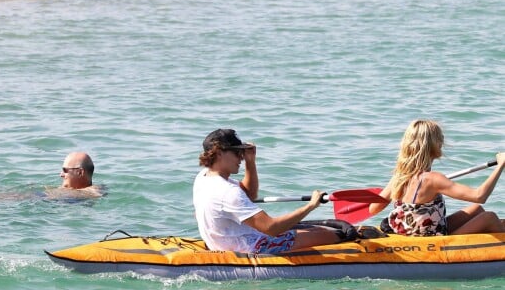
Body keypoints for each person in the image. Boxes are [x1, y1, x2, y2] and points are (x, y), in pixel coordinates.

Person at [193, 129, 356, 254]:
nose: (241, 157)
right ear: (219, 153)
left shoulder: (203, 177)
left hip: (226, 241)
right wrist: (311, 206)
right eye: (237, 153)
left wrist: (251, 162)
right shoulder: (227, 192)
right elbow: (271, 228)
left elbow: (248, 195)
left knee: (311, 231)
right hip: (251, 247)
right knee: (329, 235)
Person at [368, 120, 505, 236]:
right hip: (432, 240)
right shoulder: (433, 179)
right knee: (490, 217)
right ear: (433, 145)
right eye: (440, 138)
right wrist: (500, 165)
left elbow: (373, 208)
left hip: (411, 231)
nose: (442, 141)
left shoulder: (400, 176)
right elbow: (480, 196)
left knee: (477, 209)